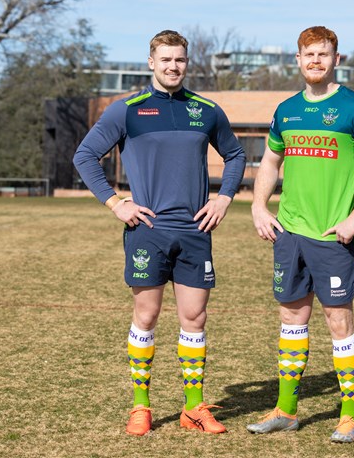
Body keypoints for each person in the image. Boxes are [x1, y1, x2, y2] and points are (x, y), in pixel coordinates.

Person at [73, 30, 245, 437]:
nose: (173, 66)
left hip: (195, 231)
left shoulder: (206, 110)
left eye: (180, 60)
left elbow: (236, 155)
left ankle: (193, 408)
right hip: (147, 230)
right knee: (146, 315)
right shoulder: (127, 110)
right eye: (166, 59)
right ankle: (141, 405)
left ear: (187, 63)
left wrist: (224, 198)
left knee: (194, 318)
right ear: (151, 62)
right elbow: (85, 155)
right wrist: (116, 203)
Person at [247, 26, 354, 443]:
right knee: (291, 319)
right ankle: (286, 411)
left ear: (337, 59)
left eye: (323, 54)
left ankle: (350, 416)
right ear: (298, 60)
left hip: (333, 236)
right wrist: (259, 205)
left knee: (338, 321)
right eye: (309, 54)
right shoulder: (287, 110)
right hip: (290, 233)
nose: (315, 61)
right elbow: (270, 162)